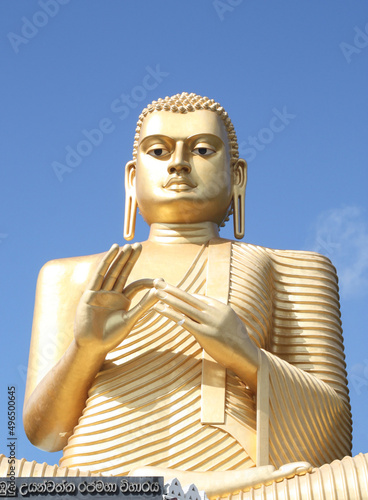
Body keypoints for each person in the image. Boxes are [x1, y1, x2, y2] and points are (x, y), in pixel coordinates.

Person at [21, 93, 353, 497]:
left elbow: (333, 432)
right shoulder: (69, 274)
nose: (178, 163)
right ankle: (150, 488)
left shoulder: (289, 267)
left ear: (237, 176)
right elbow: (45, 434)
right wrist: (85, 348)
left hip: (250, 487)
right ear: (131, 177)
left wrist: (245, 355)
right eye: (158, 151)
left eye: (201, 150)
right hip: (96, 484)